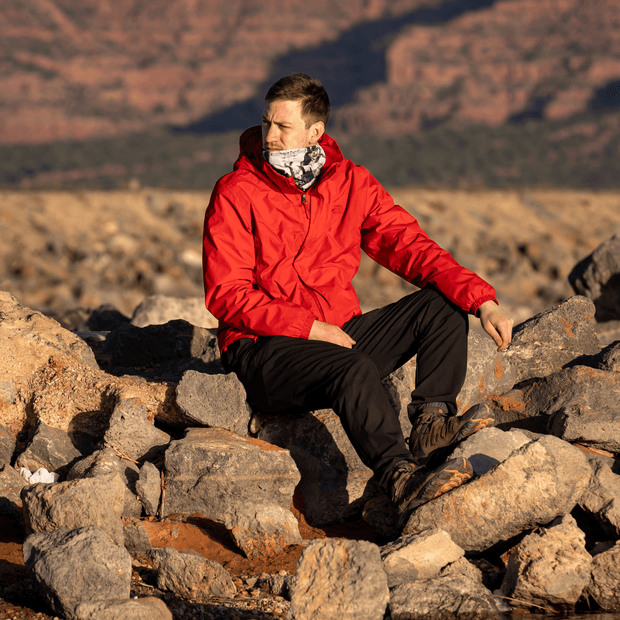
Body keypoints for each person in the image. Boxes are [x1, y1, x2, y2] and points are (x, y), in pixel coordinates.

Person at [202, 73, 514, 528]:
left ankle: (430, 424)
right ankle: (400, 477)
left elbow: (411, 246)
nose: (269, 135)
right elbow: (226, 294)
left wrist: (481, 299)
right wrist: (310, 328)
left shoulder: (351, 183)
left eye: (282, 127)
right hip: (263, 349)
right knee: (350, 366)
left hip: (336, 336)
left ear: (315, 132)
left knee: (443, 305)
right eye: (267, 122)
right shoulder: (236, 191)